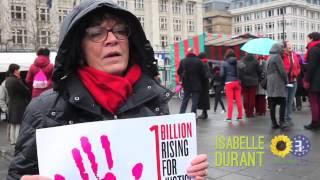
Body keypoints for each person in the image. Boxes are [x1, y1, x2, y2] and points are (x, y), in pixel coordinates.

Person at [7, 0, 208, 179]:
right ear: (78, 48)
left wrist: (190, 172)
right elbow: (17, 174)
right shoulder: (44, 110)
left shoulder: (155, 102)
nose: (113, 39)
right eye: (96, 33)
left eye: (120, 31)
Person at [5, 64, 31, 145]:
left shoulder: (8, 80)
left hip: (12, 103)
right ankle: (17, 140)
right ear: (15, 71)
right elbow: (25, 90)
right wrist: (20, 80)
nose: (19, 71)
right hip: (19, 104)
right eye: (18, 70)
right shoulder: (16, 80)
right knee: (18, 124)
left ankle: (12, 140)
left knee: (13, 123)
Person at [178, 48, 207, 116]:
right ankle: (193, 116)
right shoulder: (199, 61)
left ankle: (181, 114)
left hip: (186, 84)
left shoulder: (183, 61)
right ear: (193, 52)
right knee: (195, 102)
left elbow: (179, 72)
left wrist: (182, 77)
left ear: (187, 52)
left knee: (185, 100)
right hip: (197, 84)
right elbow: (203, 73)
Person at [266, 43, 289, 129]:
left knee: (272, 104)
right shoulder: (277, 57)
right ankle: (282, 122)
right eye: (282, 49)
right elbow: (282, 71)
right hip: (278, 83)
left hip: (270, 84)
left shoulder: (269, 57)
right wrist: (286, 81)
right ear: (278, 49)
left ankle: (273, 123)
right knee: (283, 102)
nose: (282, 50)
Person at [304, 32, 320, 130]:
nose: (307, 41)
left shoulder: (313, 49)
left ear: (312, 39)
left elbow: (312, 66)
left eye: (308, 38)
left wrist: (307, 80)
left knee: (314, 102)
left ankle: (315, 123)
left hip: (315, 80)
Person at [221, 49, 243, 121]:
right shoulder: (237, 62)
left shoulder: (224, 63)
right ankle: (240, 116)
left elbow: (222, 74)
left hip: (229, 83)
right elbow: (243, 68)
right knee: (238, 100)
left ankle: (229, 117)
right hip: (237, 82)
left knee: (230, 101)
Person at [283, 41, 300, 125]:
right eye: (288, 45)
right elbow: (282, 68)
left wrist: (296, 73)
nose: (290, 46)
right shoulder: (282, 55)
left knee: (290, 101)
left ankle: (289, 117)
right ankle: (284, 118)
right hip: (286, 81)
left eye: (291, 45)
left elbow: (298, 67)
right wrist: (287, 72)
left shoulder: (294, 55)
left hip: (294, 81)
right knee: (285, 101)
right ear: (285, 47)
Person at [238, 54, 260, 118]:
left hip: (244, 81)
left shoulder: (242, 61)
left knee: (245, 96)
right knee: (252, 97)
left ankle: (246, 111)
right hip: (253, 82)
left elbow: (239, 72)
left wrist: (241, 79)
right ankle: (251, 112)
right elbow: (259, 71)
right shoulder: (255, 61)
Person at [197, 52, 211, 120]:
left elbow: (206, 74)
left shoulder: (203, 64)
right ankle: (204, 113)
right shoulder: (206, 63)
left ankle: (204, 114)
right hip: (205, 84)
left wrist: (200, 77)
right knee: (205, 99)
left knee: (203, 99)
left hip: (203, 84)